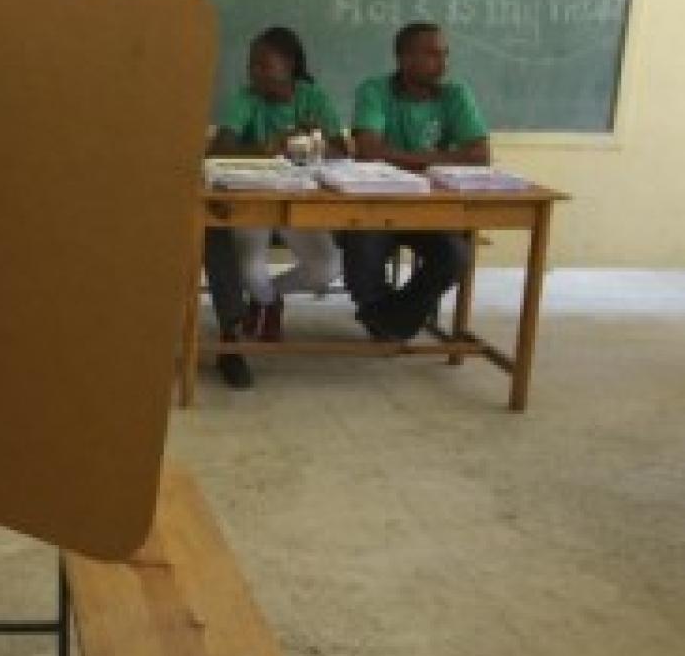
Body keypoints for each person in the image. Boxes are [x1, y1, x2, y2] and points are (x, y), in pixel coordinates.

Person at [205, 27, 345, 387]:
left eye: (264, 65)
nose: (255, 72)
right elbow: (218, 150)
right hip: (255, 201)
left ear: (290, 65)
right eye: (252, 65)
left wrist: (316, 144)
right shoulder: (246, 99)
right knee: (251, 269)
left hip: (301, 200)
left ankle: (266, 301)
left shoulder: (314, 98)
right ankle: (259, 302)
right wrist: (266, 149)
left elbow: (343, 152)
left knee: (327, 267)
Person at [343, 22, 491, 341]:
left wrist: (396, 156)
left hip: (432, 209)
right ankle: (380, 311)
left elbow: (480, 155)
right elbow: (368, 152)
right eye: (432, 55)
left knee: (456, 255)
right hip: (377, 206)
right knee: (362, 244)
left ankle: (390, 319)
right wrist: (435, 159)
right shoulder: (375, 90)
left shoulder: (456, 94)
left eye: (445, 55)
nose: (443, 63)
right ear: (405, 59)